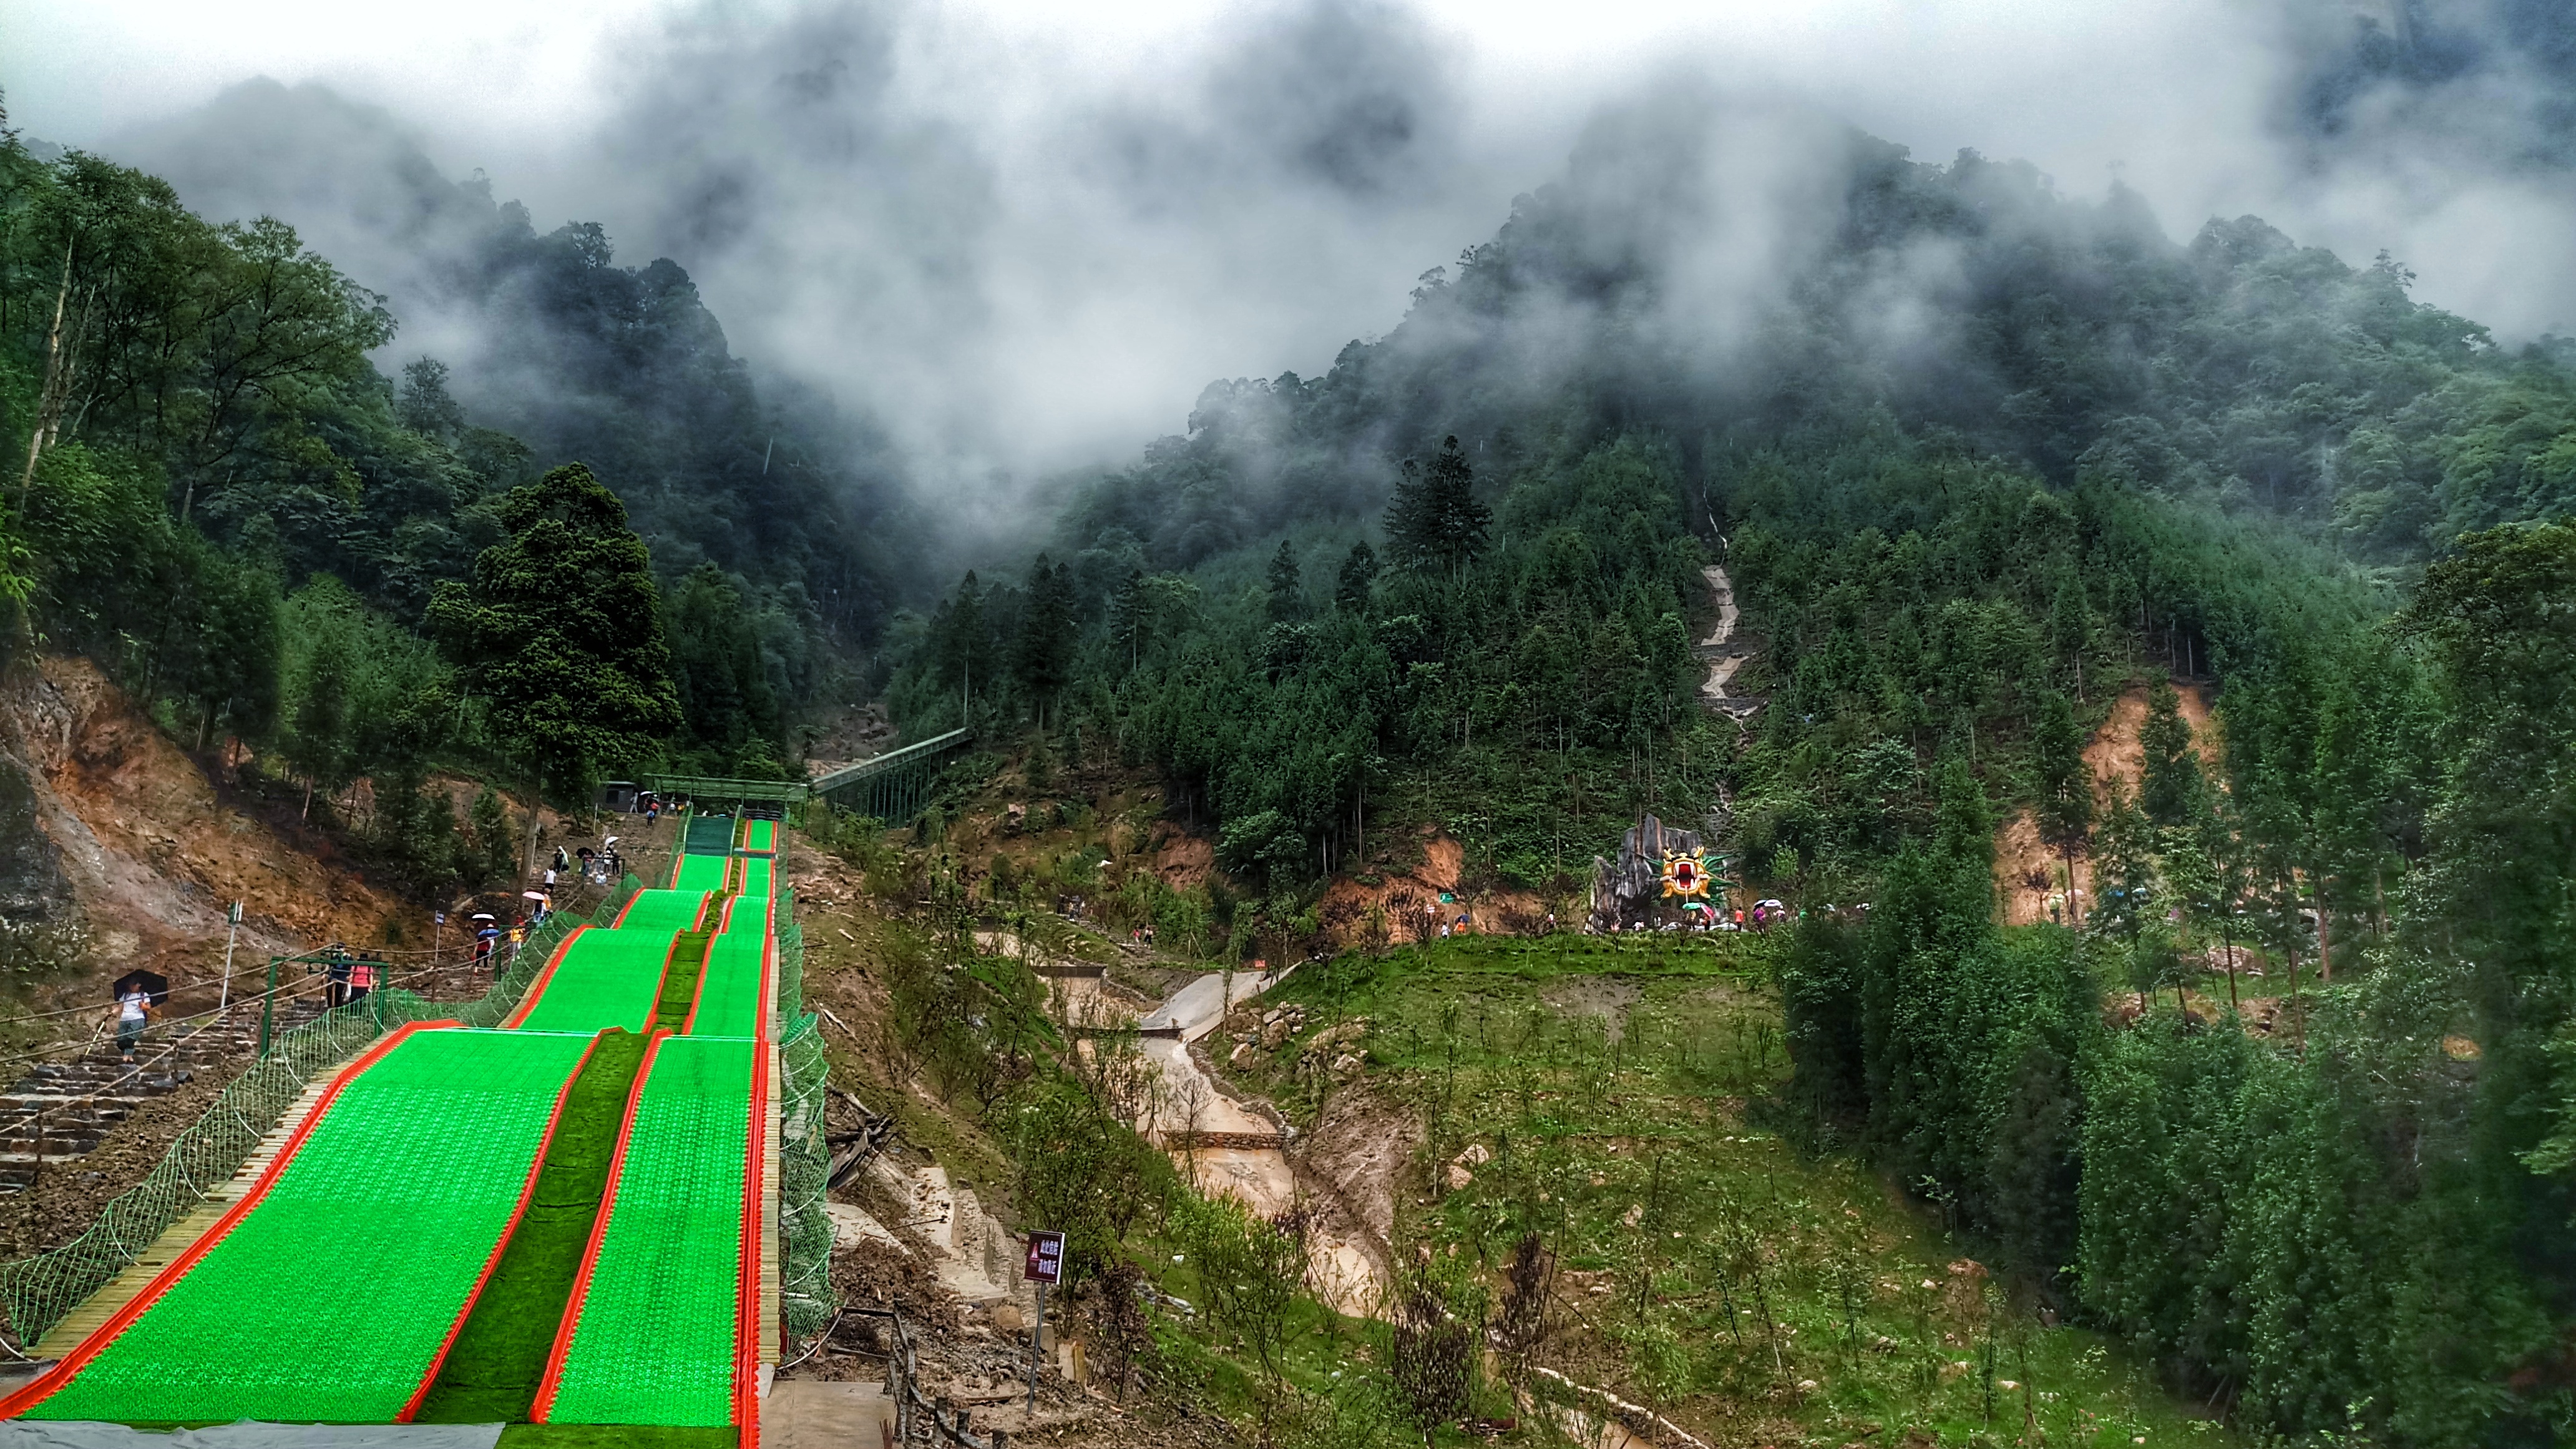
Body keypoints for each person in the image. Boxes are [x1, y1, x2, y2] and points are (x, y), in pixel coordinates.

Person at [108, 986, 154, 1064]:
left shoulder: (143, 995)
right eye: (131, 984)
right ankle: (128, 1056)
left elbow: (148, 1007)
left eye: (134, 984)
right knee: (121, 1039)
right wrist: (111, 1013)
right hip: (124, 1019)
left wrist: (143, 1006)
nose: (132, 986)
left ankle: (127, 1056)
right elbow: (120, 1008)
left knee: (131, 1038)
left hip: (137, 1019)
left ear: (139, 985)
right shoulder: (125, 995)